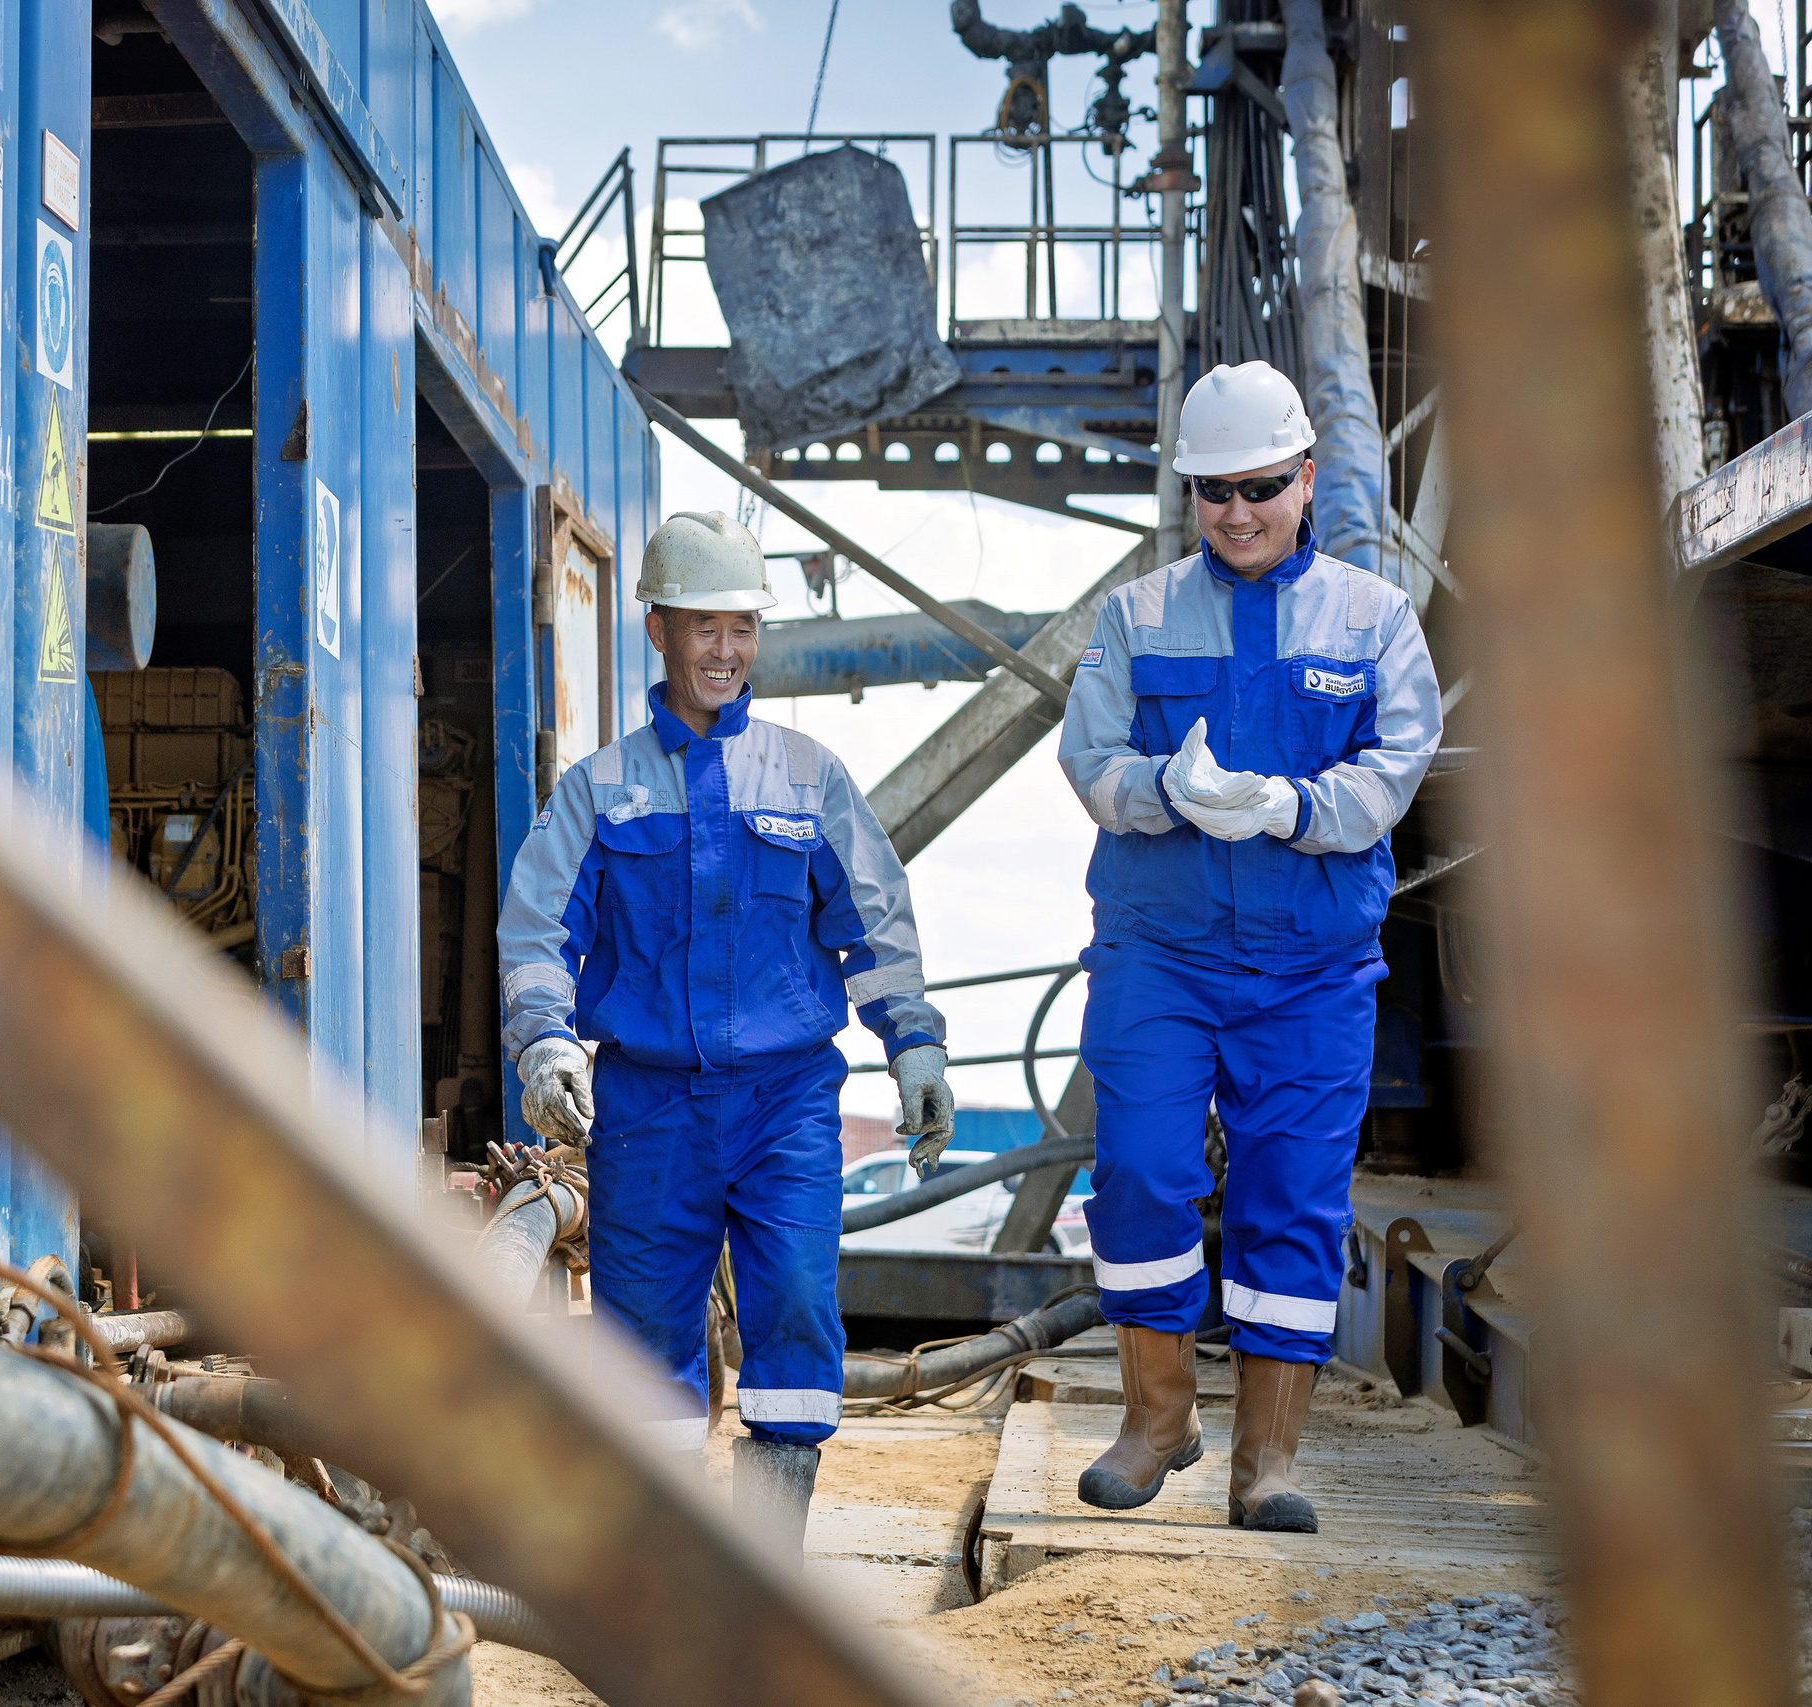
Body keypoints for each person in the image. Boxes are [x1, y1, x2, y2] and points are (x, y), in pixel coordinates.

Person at [496, 509, 953, 1557]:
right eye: (703, 626)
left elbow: (874, 924)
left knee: (793, 1301)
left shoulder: (808, 778)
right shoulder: (599, 791)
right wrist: (547, 1044)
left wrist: (914, 1044)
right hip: (649, 1107)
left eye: (742, 627)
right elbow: (535, 935)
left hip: (786, 1103)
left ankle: (766, 1566)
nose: (726, 651)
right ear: (655, 628)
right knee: (640, 1341)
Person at [1056, 361, 1442, 1533]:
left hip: (1311, 971)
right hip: (1159, 955)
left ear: (1307, 477)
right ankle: (1156, 1420)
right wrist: (1160, 791)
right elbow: (1089, 759)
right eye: (1211, 492)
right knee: (1136, 1169)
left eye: (1260, 488)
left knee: (1293, 1200)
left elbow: (1393, 769)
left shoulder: (1374, 621)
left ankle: (1265, 1460)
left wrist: (1289, 810)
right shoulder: (1134, 615)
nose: (1236, 513)